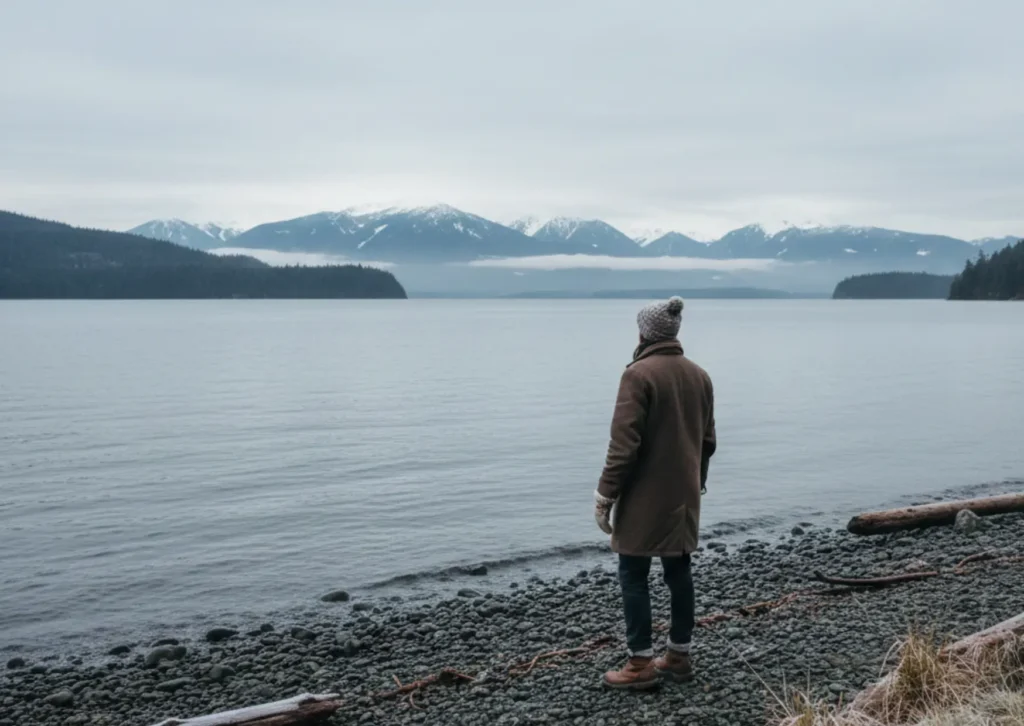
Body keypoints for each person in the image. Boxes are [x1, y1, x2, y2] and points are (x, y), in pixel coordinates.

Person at [594, 296, 716, 690]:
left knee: (633, 573)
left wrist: (605, 495)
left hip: (645, 497)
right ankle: (678, 656)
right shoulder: (700, 375)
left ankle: (640, 664)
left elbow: (623, 446)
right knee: (679, 573)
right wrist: (696, 481)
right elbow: (709, 441)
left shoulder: (638, 375)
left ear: (644, 332)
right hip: (684, 494)